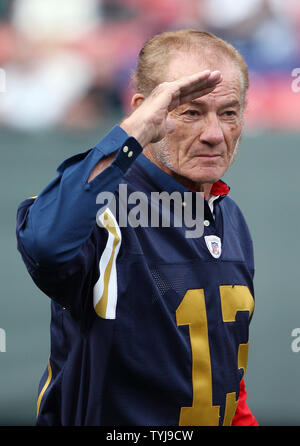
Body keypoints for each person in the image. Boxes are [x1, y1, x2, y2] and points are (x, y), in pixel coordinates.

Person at [16, 29, 258, 426]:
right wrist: (133, 133)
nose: (215, 134)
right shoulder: (104, 205)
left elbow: (223, 373)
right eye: (191, 112)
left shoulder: (228, 214)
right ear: (147, 112)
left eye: (229, 113)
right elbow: (44, 244)